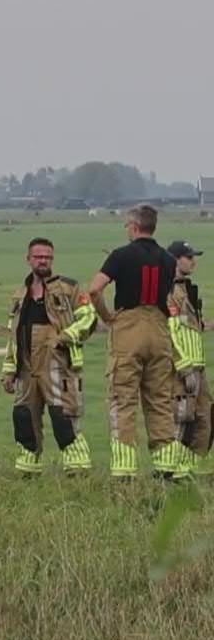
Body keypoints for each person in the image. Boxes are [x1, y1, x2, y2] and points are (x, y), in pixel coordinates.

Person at [87, 204, 191, 479]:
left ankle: (124, 470)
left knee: (123, 399)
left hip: (128, 328)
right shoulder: (169, 259)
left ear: (133, 227)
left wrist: (107, 316)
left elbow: (94, 288)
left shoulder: (121, 255)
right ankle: (165, 468)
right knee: (159, 400)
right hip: (159, 330)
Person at [1, 238, 97, 476]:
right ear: (28, 260)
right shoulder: (19, 295)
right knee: (24, 418)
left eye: (47, 257)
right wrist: (8, 369)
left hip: (58, 363)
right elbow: (13, 336)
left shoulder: (69, 288)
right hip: (25, 365)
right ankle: (27, 471)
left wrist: (65, 336)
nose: (43, 261)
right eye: (38, 257)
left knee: (63, 416)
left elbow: (90, 318)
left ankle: (78, 471)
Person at [166, 240, 211, 475]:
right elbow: (168, 331)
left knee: (205, 420)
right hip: (182, 369)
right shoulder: (168, 291)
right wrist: (182, 365)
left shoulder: (187, 289)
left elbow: (193, 327)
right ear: (175, 259)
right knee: (183, 421)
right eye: (188, 256)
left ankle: (189, 470)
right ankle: (173, 472)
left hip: (198, 367)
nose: (193, 261)